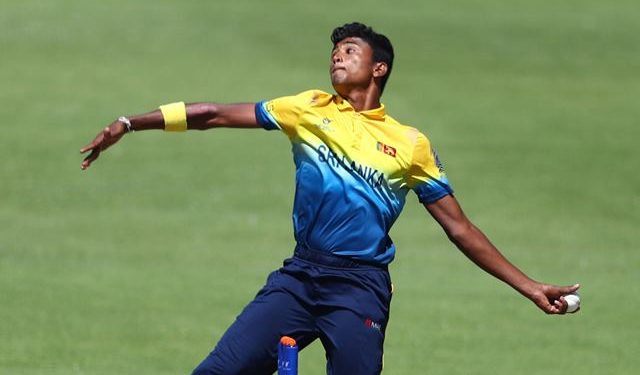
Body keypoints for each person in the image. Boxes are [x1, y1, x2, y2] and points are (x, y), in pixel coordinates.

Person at [80, 22, 579, 375]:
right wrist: (131, 122)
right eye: (335, 51)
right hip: (299, 278)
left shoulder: (410, 144)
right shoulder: (309, 109)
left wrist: (529, 286)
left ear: (378, 68)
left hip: (359, 288)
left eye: (350, 50)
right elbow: (212, 114)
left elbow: (460, 228)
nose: (337, 56)